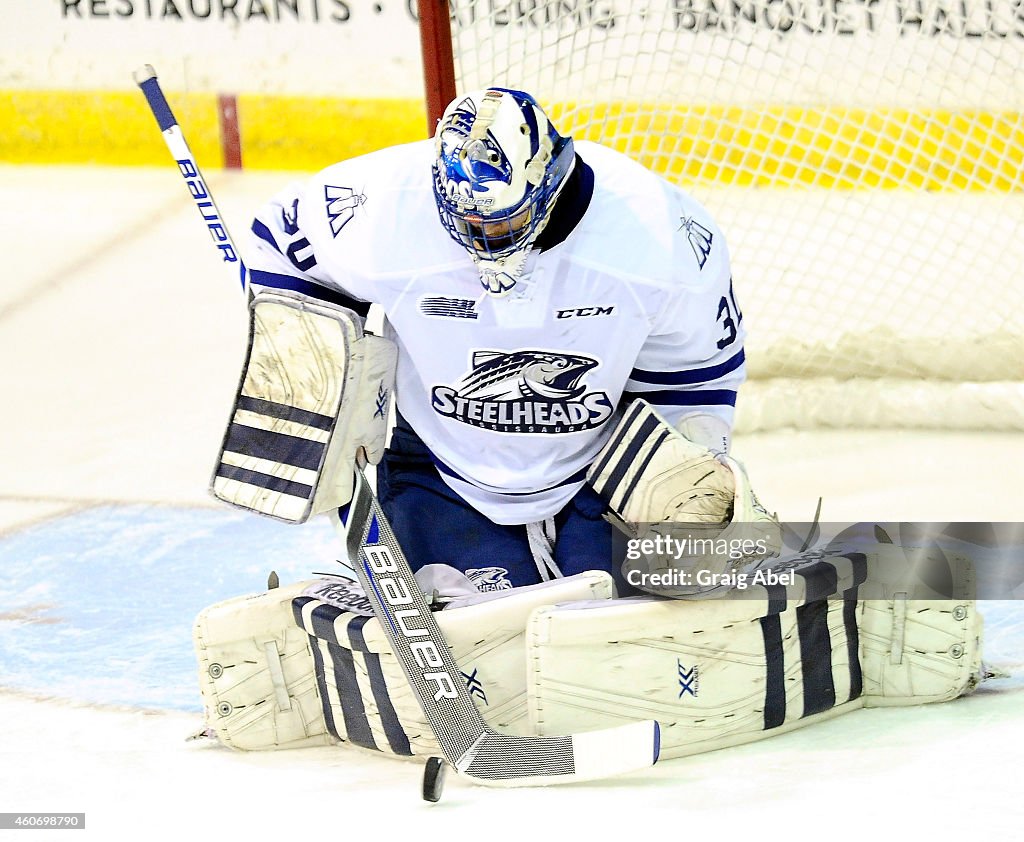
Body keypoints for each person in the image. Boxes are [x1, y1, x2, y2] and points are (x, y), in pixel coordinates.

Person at [242, 87, 752, 596]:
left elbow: (698, 369)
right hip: (440, 468)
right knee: (473, 639)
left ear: (549, 178)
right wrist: (311, 368)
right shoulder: (380, 209)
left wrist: (693, 473)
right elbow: (278, 240)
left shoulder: (657, 232)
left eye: (503, 219)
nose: (484, 238)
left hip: (606, 471)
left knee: (633, 626)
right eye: (467, 221)